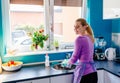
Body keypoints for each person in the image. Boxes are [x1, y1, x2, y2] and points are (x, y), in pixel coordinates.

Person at [68, 18, 98, 83]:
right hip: (93, 72)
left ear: (84, 27)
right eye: (74, 26)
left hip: (84, 74)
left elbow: (75, 57)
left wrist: (68, 63)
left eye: (78, 26)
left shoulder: (79, 39)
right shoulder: (90, 37)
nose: (75, 29)